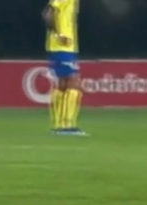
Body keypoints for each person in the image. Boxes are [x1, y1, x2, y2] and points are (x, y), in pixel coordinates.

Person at [43, 0, 87, 136]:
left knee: (62, 84)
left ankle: (58, 125)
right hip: (63, 47)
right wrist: (58, 35)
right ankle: (67, 125)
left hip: (62, 48)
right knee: (74, 83)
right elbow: (48, 14)